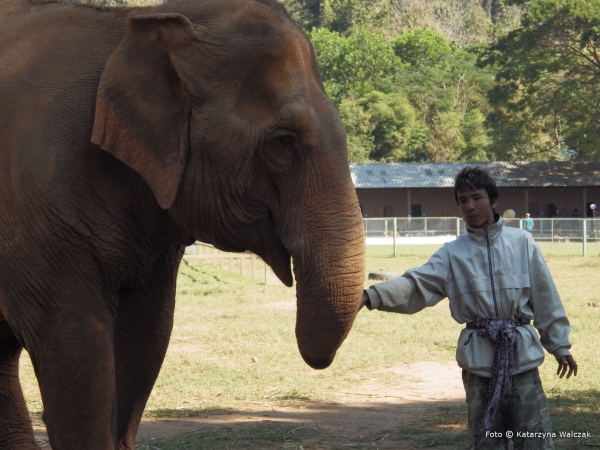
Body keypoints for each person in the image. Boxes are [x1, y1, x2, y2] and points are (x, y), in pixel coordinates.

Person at [359, 167, 577, 450]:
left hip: (522, 362)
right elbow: (415, 285)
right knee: (486, 442)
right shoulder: (452, 253)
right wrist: (369, 296)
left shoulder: (523, 243)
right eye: (463, 200)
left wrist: (560, 346)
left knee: (532, 441)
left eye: (477, 198)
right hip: (479, 366)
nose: (470, 206)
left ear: (493, 200)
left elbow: (546, 297)